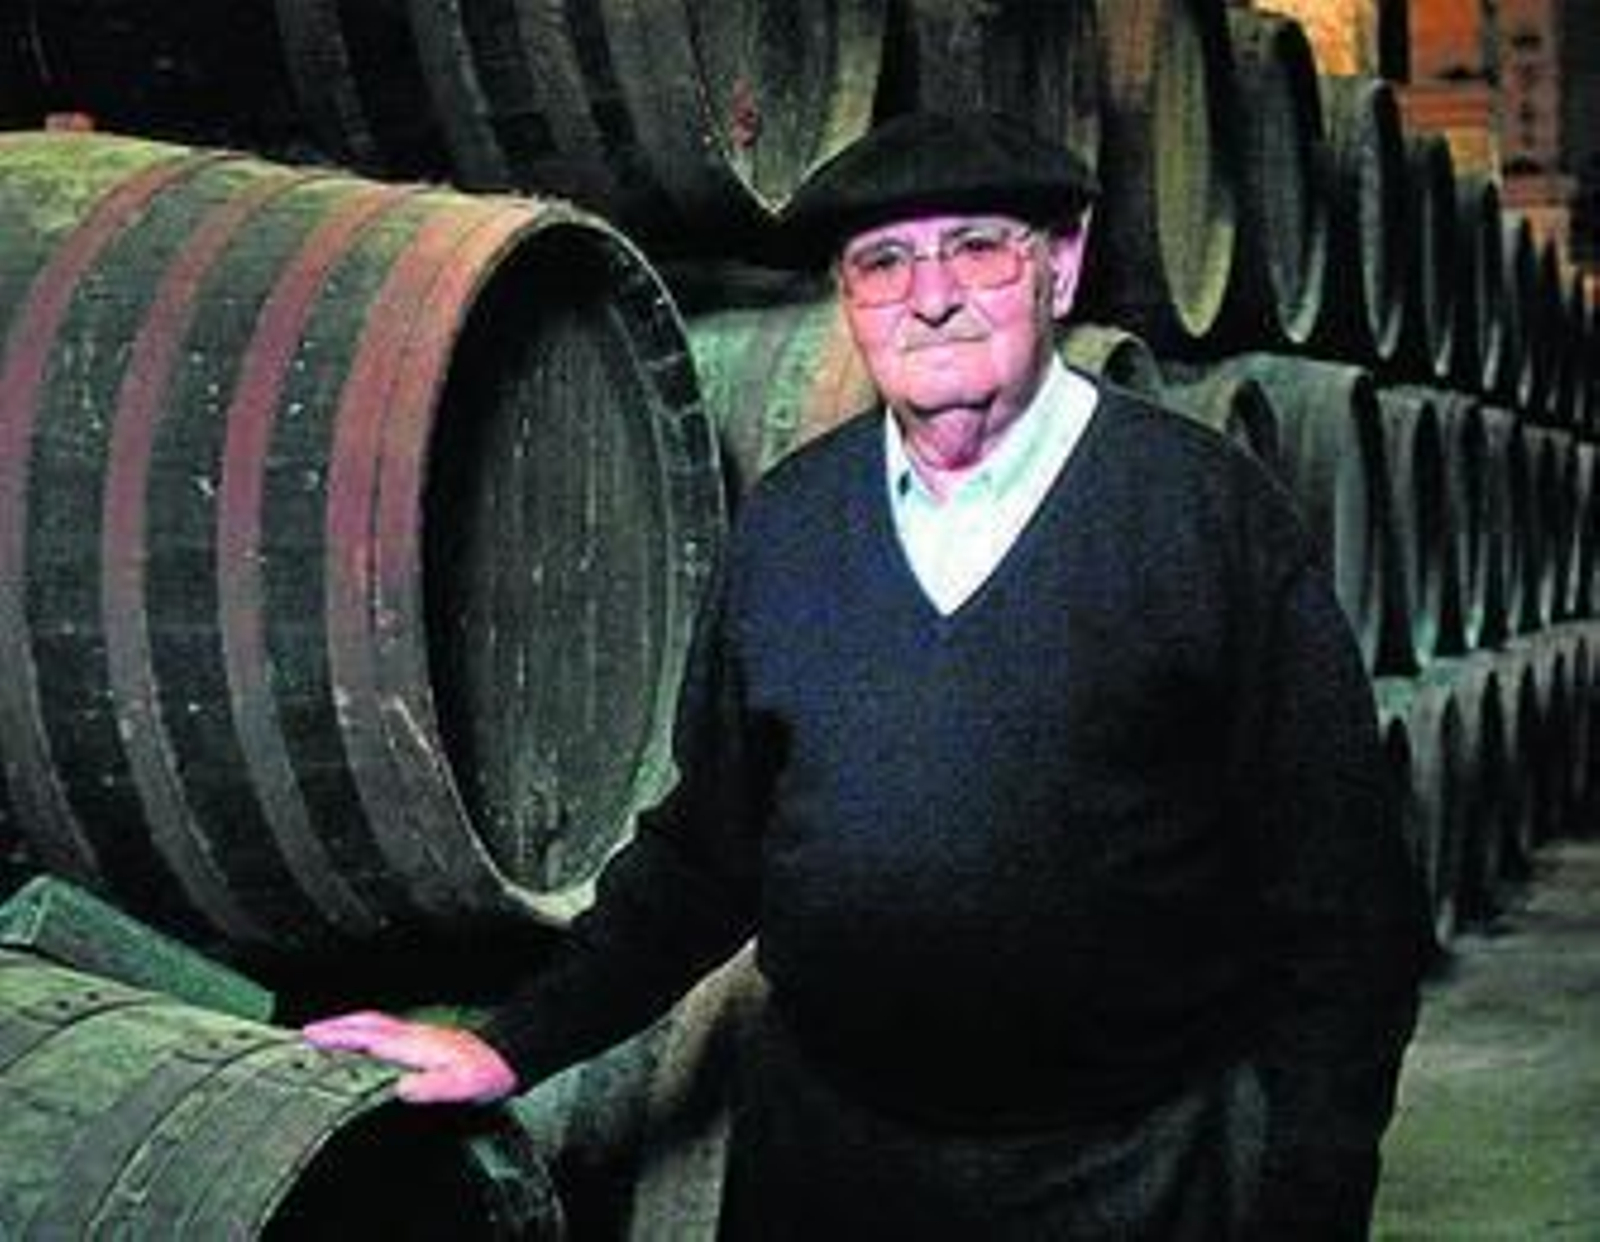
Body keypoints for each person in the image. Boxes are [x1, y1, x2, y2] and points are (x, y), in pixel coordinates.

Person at [305, 111, 1428, 1239]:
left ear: (1062, 263)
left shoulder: (1203, 515)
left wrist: (1312, 1194)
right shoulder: (792, 525)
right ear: (848, 299)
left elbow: (1342, 906)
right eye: (883, 262)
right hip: (831, 1168)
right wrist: (510, 1044)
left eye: (977, 246)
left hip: (1131, 1173)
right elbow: (704, 856)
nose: (929, 294)